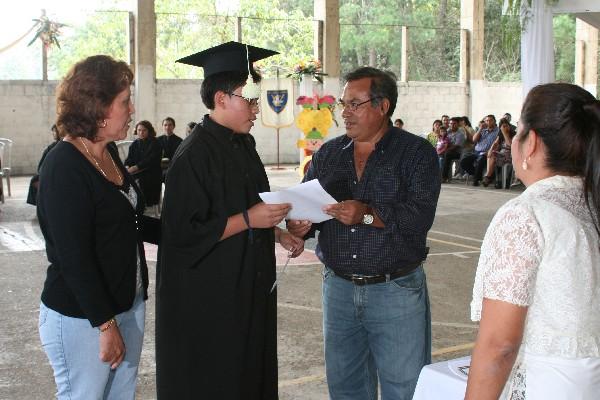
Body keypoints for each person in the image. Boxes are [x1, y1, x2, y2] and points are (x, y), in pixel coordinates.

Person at [155, 41, 304, 399]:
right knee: (219, 379)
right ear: (221, 99)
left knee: (251, 373)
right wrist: (251, 219)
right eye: (249, 100)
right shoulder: (192, 155)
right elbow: (182, 235)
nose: (256, 110)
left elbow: (250, 206)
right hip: (211, 296)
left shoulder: (244, 145)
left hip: (249, 287)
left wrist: (279, 233)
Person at [287, 67, 440, 400]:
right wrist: (300, 224)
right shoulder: (328, 155)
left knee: (405, 387)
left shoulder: (416, 154)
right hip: (338, 288)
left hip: (395, 289)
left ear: (382, 106)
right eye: (343, 104)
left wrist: (367, 215)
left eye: (355, 104)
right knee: (346, 386)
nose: (345, 112)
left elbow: (417, 218)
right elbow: (306, 203)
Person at [466, 83, 600, 399]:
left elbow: (499, 344)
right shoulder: (589, 205)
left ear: (532, 143)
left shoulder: (525, 215)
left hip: (549, 384)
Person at [37, 55, 159, 400]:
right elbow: (73, 257)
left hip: (127, 303)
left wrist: (194, 231)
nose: (132, 109)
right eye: (125, 101)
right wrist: (105, 324)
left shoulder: (107, 154)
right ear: (98, 107)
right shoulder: (63, 166)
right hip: (83, 316)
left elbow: (130, 222)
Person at [124, 120, 162, 207]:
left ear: (149, 131)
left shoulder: (155, 143)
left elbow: (151, 160)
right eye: (139, 130)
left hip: (151, 172)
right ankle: (130, 205)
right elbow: (129, 159)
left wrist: (136, 167)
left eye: (144, 130)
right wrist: (126, 166)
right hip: (137, 171)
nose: (141, 132)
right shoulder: (134, 144)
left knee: (144, 180)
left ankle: (142, 204)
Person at [26, 124, 61, 206]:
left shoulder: (54, 147)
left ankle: (39, 205)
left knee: (34, 180)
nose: (53, 134)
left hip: (52, 176)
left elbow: (42, 167)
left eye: (54, 132)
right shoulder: (55, 146)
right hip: (53, 175)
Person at [460, 115, 499, 186]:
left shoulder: (498, 131)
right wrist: (480, 129)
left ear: (495, 121)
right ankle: (479, 176)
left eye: (490, 120)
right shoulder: (482, 130)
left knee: (480, 160)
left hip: (488, 153)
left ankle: (476, 180)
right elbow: (474, 140)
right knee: (463, 161)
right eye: (487, 121)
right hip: (477, 152)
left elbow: (498, 144)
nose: (488, 122)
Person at [482, 118, 515, 188]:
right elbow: (495, 143)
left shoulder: (514, 134)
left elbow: (510, 144)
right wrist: (490, 150)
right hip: (501, 155)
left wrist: (504, 132)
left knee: (492, 156)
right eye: (503, 127)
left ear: (509, 126)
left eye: (506, 126)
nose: (505, 128)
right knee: (491, 154)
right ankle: (488, 176)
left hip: (511, 156)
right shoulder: (501, 135)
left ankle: (489, 177)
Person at [441, 117, 466, 182]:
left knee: (447, 154)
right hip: (447, 151)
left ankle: (444, 177)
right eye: (451, 123)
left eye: (454, 124)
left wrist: (444, 150)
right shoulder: (448, 131)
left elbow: (456, 146)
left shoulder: (460, 134)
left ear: (458, 124)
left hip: (457, 153)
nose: (452, 125)